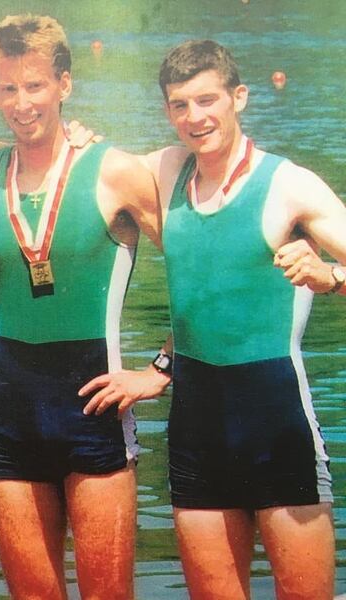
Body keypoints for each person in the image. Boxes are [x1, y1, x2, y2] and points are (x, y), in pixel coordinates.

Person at [80, 39, 346, 599]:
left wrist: (331, 276)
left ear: (238, 97)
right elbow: (69, 162)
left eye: (207, 101)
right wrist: (159, 369)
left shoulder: (289, 184)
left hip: (278, 426)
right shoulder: (166, 170)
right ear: (167, 111)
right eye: (180, 105)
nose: (195, 118)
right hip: (197, 431)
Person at [0, 15, 164, 599]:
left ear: (64, 84)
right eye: (8, 88)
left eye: (35, 85)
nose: (22, 103)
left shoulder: (115, 171)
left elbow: (205, 271)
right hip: (11, 401)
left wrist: (162, 370)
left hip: (94, 399)